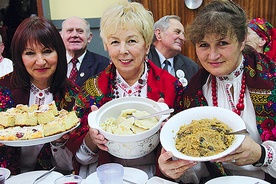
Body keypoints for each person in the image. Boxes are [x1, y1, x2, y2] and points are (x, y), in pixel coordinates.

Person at [158, 0, 276, 183]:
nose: (212, 56)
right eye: (204, 45)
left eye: (222, 43)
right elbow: (197, 168)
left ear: (242, 39)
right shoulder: (193, 93)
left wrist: (263, 155)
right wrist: (175, 166)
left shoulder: (272, 79)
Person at [73, 2, 184, 179]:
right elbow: (81, 159)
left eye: (132, 41)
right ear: (106, 46)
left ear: (147, 45)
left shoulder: (171, 87)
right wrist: (92, 138)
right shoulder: (91, 89)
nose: (123, 51)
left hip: (156, 177)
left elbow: (187, 152)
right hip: (109, 176)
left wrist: (169, 133)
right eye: (115, 42)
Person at [0, 16, 82, 175]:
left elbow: (71, 166)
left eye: (47, 51)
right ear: (19, 56)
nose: (40, 61)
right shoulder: (3, 89)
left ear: (59, 52)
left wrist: (60, 143)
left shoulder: (73, 96)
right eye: (30, 53)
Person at [147, 15, 199, 87]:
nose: (183, 38)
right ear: (158, 34)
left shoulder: (191, 67)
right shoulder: (143, 60)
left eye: (183, 34)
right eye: (177, 32)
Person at [60, 16, 110, 87]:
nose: (74, 35)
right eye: (70, 30)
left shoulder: (103, 65)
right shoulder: (55, 63)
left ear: (89, 37)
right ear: (61, 37)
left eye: (80, 31)